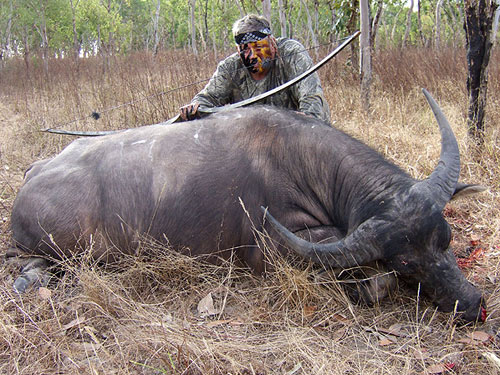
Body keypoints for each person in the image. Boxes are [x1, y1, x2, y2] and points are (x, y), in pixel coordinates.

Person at [179, 14, 330, 123]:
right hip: (253, 142)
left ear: (272, 42)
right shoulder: (230, 66)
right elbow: (206, 99)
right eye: (244, 50)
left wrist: (305, 125)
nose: (251, 56)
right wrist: (194, 109)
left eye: (258, 47)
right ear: (238, 51)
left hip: (295, 133)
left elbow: (312, 101)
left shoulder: (292, 53)